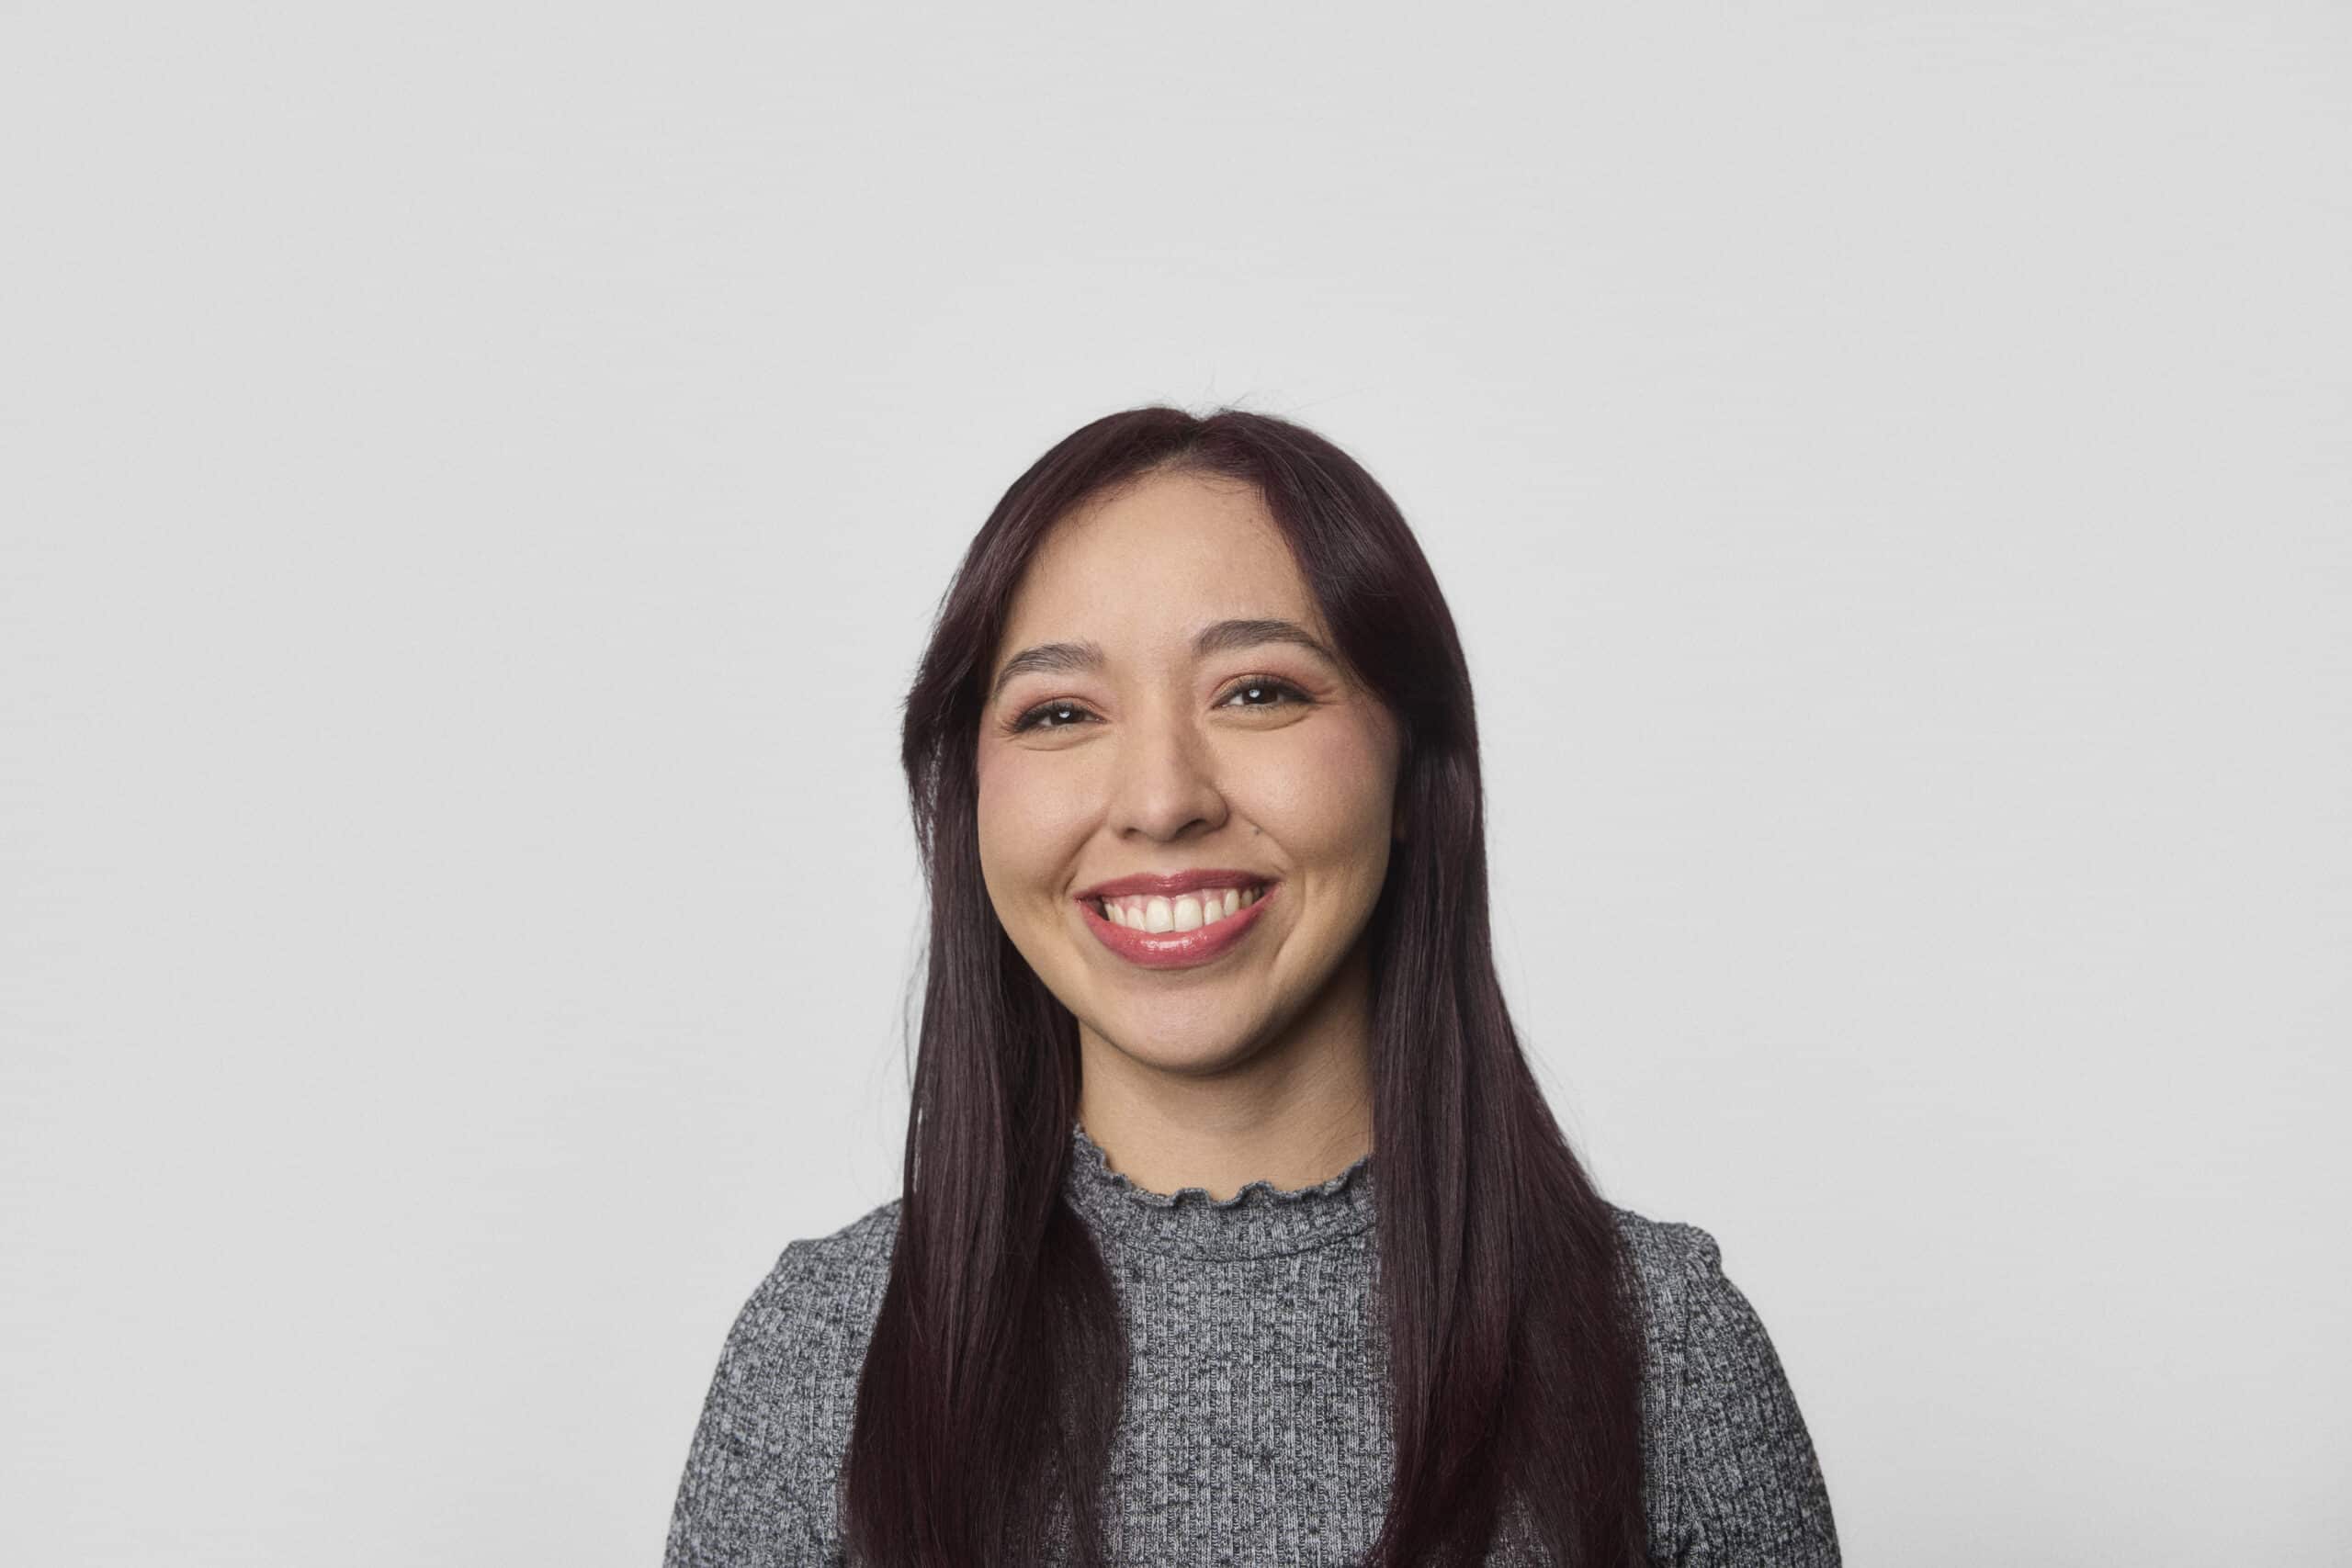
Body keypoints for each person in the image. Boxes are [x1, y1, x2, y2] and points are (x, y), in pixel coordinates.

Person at [662, 406, 1841, 1567]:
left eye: (1258, 691)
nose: (1162, 797)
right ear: (967, 799)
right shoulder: (822, 1357)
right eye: (1060, 712)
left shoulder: (1662, 1355)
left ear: (1414, 767)